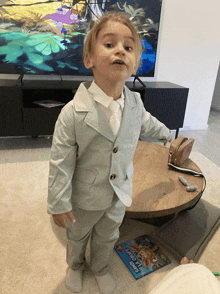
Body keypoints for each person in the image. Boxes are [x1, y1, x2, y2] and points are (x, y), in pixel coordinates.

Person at [47, 11, 220, 294]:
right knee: (78, 235)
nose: (120, 51)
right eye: (109, 44)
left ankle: (101, 267)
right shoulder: (72, 113)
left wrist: (167, 135)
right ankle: (76, 265)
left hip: (119, 193)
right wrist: (57, 201)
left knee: (107, 235)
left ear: (135, 63)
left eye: (128, 47)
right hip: (85, 197)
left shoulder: (135, 103)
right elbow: (60, 162)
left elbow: (147, 122)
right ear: (89, 58)